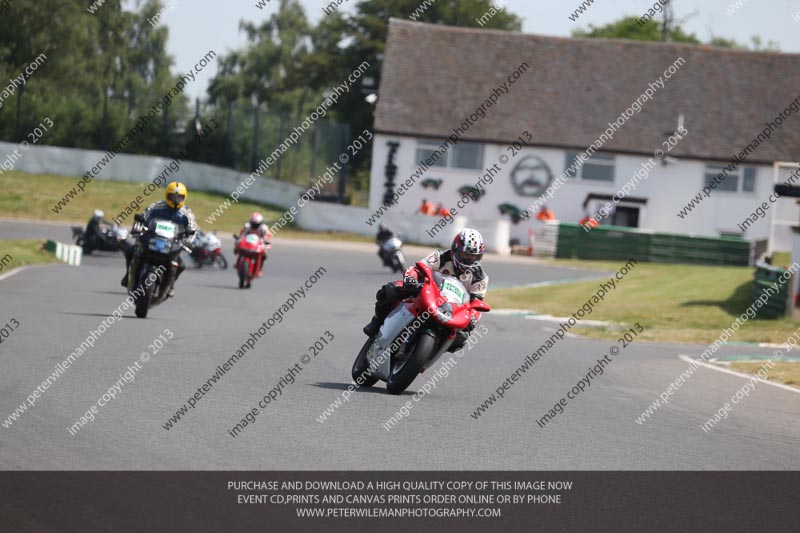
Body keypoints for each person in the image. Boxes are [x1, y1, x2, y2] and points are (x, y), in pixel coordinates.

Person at [363, 228, 488, 352]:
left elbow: (476, 304)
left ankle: (427, 354)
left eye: (472, 256)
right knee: (390, 290)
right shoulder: (440, 256)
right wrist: (411, 280)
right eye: (465, 254)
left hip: (451, 309)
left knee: (462, 337)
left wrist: (473, 318)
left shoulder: (480, 278)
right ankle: (376, 323)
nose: (468, 259)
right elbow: (416, 269)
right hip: (424, 291)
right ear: (455, 249)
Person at [121, 181, 197, 296]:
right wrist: (137, 229)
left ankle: (170, 285)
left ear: (184, 198)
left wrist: (189, 242)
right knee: (131, 251)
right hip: (152, 239)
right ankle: (128, 276)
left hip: (172, 243)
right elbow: (142, 218)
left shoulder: (187, 214)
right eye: (173, 196)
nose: (176, 200)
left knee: (181, 265)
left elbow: (193, 230)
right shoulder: (156, 206)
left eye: (179, 197)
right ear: (167, 196)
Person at [235, 212, 272, 277]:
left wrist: (266, 243)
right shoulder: (247, 226)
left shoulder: (264, 228)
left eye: (256, 224)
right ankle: (237, 263)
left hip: (258, 244)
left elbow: (267, 236)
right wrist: (239, 240)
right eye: (253, 223)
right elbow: (242, 234)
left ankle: (259, 269)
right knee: (238, 249)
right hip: (248, 243)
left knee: (263, 255)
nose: (254, 225)